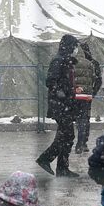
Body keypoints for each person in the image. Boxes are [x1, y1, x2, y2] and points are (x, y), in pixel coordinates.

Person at [35, 34, 80, 178]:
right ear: (70, 46)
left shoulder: (66, 60)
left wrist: (71, 91)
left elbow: (63, 82)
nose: (76, 49)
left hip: (65, 104)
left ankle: (62, 167)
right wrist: (63, 94)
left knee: (65, 136)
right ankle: (47, 159)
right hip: (61, 105)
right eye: (75, 46)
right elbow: (51, 81)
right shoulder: (59, 60)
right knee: (67, 135)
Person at [72, 41, 102, 155]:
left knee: (74, 119)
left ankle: (75, 141)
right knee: (85, 120)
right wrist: (92, 92)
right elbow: (97, 80)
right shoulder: (92, 63)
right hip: (87, 96)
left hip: (75, 95)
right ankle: (82, 143)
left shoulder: (72, 62)